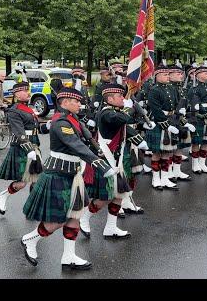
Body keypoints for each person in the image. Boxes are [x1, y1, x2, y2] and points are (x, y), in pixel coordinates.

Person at [21, 87, 114, 270]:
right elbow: (76, 145)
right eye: (76, 101)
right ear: (64, 102)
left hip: (73, 174)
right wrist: (98, 163)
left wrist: (99, 151)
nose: (80, 104)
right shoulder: (60, 122)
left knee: (75, 216)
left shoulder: (74, 119)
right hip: (58, 174)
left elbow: (87, 140)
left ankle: (69, 256)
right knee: (56, 220)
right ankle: (30, 240)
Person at [79, 83, 147, 238]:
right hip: (106, 160)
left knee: (118, 195)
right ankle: (85, 217)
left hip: (117, 160)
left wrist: (141, 132)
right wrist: (130, 108)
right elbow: (122, 119)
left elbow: (125, 128)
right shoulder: (106, 113)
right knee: (105, 198)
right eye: (120, 96)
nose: (123, 98)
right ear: (110, 99)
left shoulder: (115, 111)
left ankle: (110, 227)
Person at [0, 82, 49, 215]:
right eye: (25, 91)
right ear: (17, 94)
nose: (28, 93)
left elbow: (35, 130)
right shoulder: (14, 111)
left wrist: (47, 126)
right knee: (22, 183)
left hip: (34, 147)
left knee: (37, 180)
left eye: (28, 90)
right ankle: (4, 195)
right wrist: (29, 150)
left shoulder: (29, 109)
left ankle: (32, 207)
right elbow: (19, 133)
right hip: (22, 148)